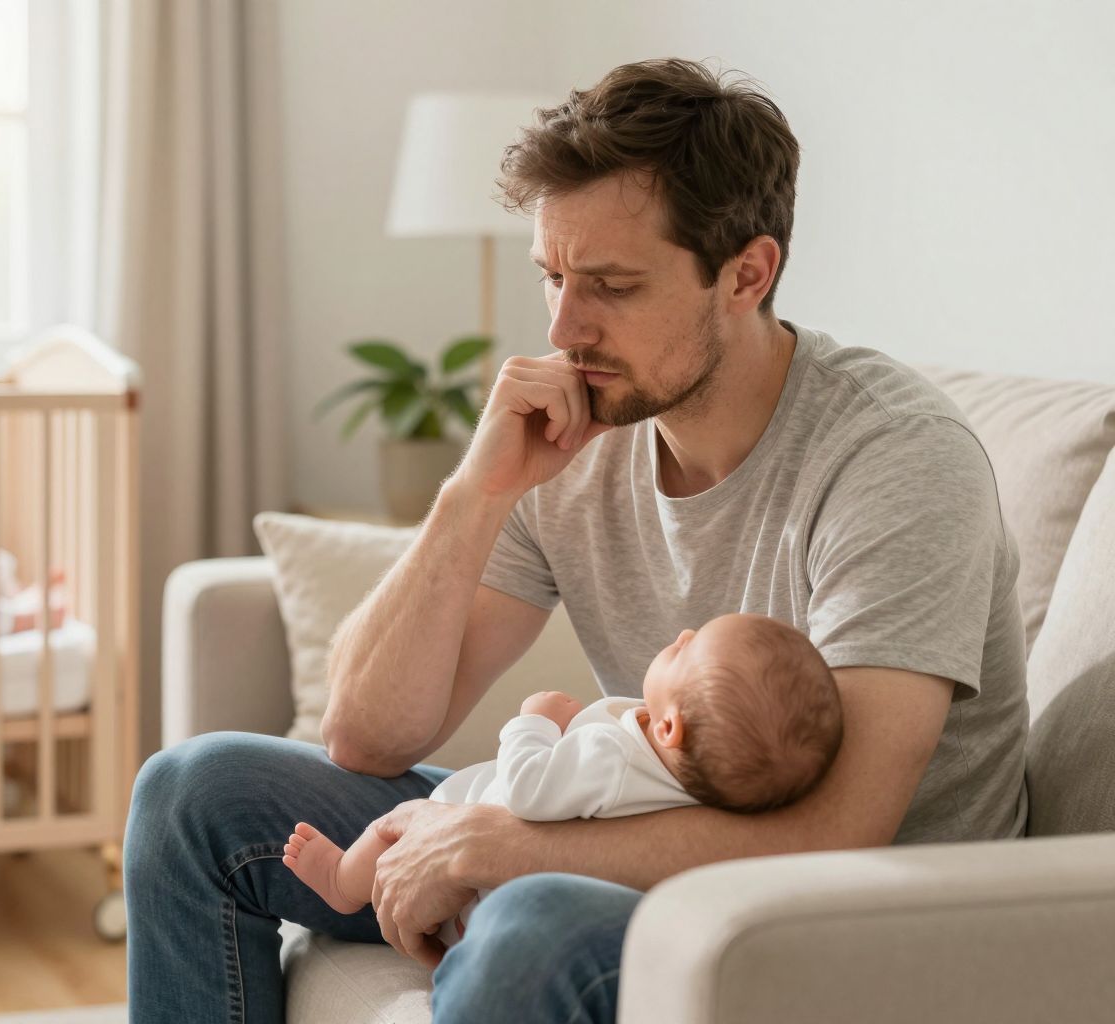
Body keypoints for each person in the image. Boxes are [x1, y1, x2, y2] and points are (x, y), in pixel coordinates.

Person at [124, 57, 1028, 1023]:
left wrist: (508, 849)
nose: (564, 327)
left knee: (534, 919)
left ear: (746, 273)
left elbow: (845, 830)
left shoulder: (894, 460)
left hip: (854, 921)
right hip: (637, 838)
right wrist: (478, 490)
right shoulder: (579, 435)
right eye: (553, 277)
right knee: (193, 794)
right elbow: (367, 733)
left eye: (610, 284)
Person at [282, 613, 843, 948]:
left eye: (687, 649)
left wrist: (535, 720)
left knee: (388, 829)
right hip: (492, 894)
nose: (685, 631)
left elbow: (528, 787)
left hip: (473, 835)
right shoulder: (692, 790)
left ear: (669, 727)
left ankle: (341, 882)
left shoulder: (614, 756)